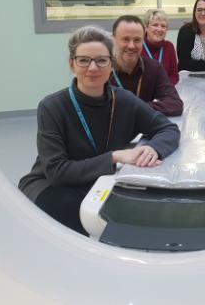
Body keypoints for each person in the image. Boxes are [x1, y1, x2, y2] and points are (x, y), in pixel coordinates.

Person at [18, 26, 180, 234]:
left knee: (142, 212)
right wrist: (115, 157)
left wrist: (154, 149)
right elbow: (58, 172)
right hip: (54, 185)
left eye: (101, 60)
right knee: (78, 215)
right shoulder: (52, 107)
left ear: (111, 65)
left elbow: (168, 128)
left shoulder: (124, 100)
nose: (93, 68)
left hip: (100, 180)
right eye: (84, 60)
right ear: (72, 64)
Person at [110, 15, 184, 116]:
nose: (131, 46)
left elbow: (175, 104)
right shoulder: (100, 69)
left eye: (137, 40)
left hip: (143, 128)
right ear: (113, 39)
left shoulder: (154, 68)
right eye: (125, 39)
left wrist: (136, 108)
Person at [141, 9, 179, 85]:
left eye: (163, 26)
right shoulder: (139, 46)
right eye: (155, 25)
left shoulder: (169, 47)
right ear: (146, 27)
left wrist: (163, 89)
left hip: (165, 92)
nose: (159, 29)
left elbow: (174, 76)